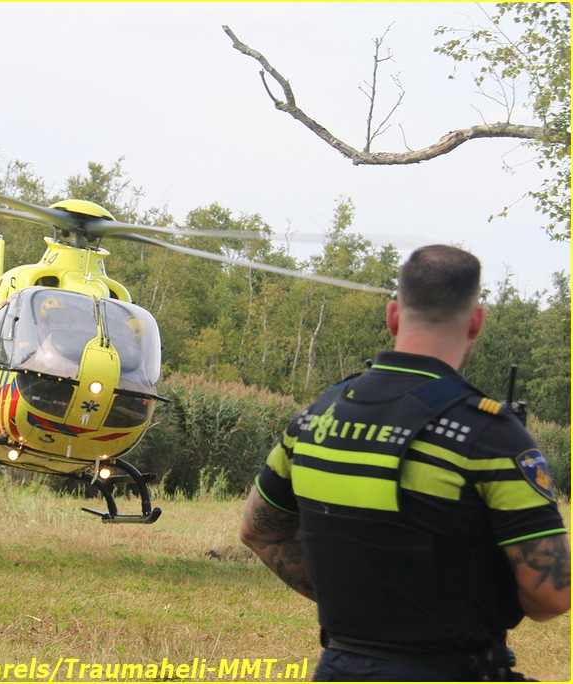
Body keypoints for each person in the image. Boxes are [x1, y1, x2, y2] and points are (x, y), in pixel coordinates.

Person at [239, 245, 570, 681]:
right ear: (476, 322)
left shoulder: (314, 417)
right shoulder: (488, 435)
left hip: (337, 666)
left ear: (393, 316)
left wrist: (361, 600)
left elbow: (258, 532)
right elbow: (551, 596)